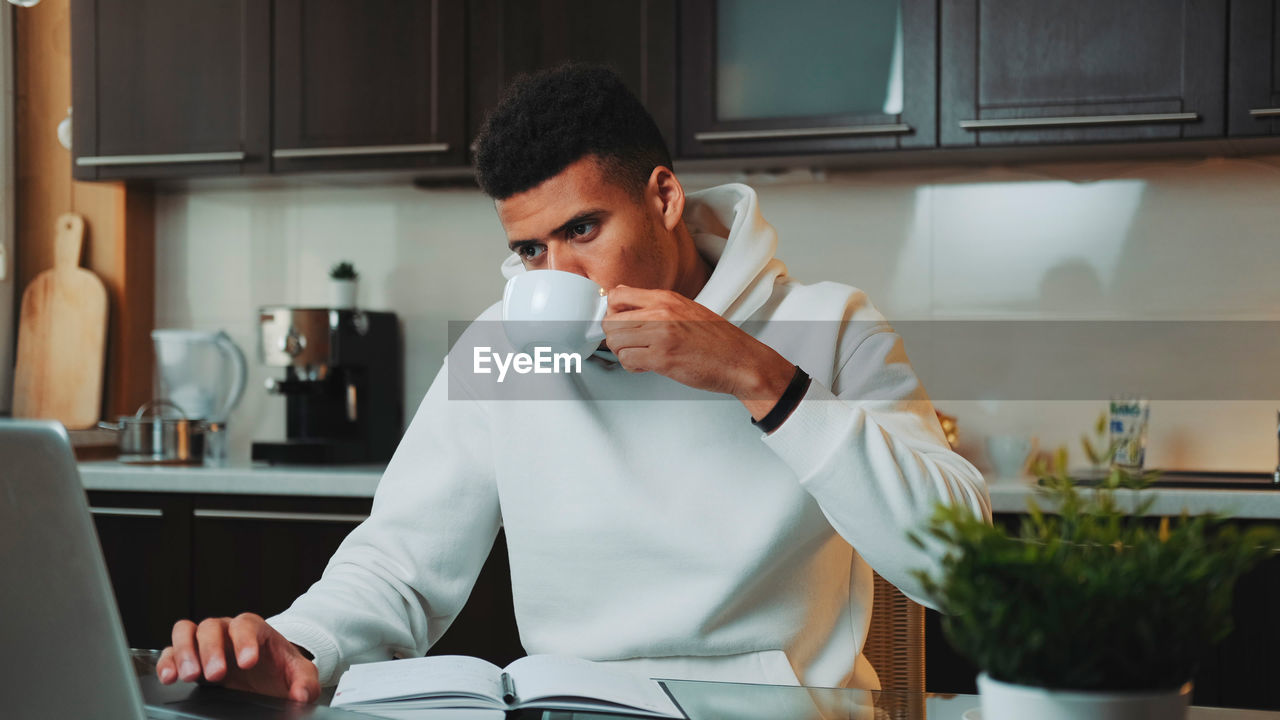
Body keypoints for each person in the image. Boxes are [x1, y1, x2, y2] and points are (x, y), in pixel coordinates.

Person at [155, 64, 990, 704]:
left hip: (774, 712)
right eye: (530, 250)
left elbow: (962, 568)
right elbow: (401, 565)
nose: (556, 272)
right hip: (573, 709)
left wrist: (759, 376)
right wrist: (295, 646)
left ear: (662, 197)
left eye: (582, 229)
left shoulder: (830, 324)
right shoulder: (506, 347)